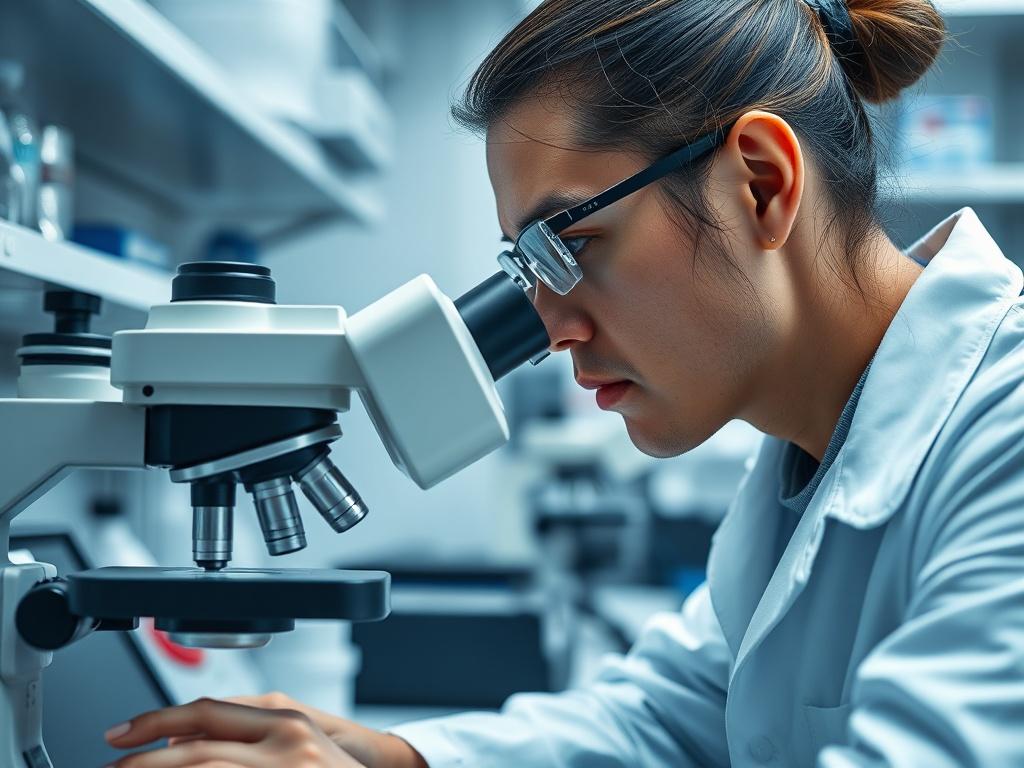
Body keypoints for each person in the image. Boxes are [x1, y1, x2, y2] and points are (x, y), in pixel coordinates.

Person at [104, 0, 1024, 766]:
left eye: (569, 244)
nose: (547, 326)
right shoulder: (805, 459)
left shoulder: (1007, 435)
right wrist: (394, 760)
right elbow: (669, 720)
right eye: (526, 264)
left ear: (760, 183)